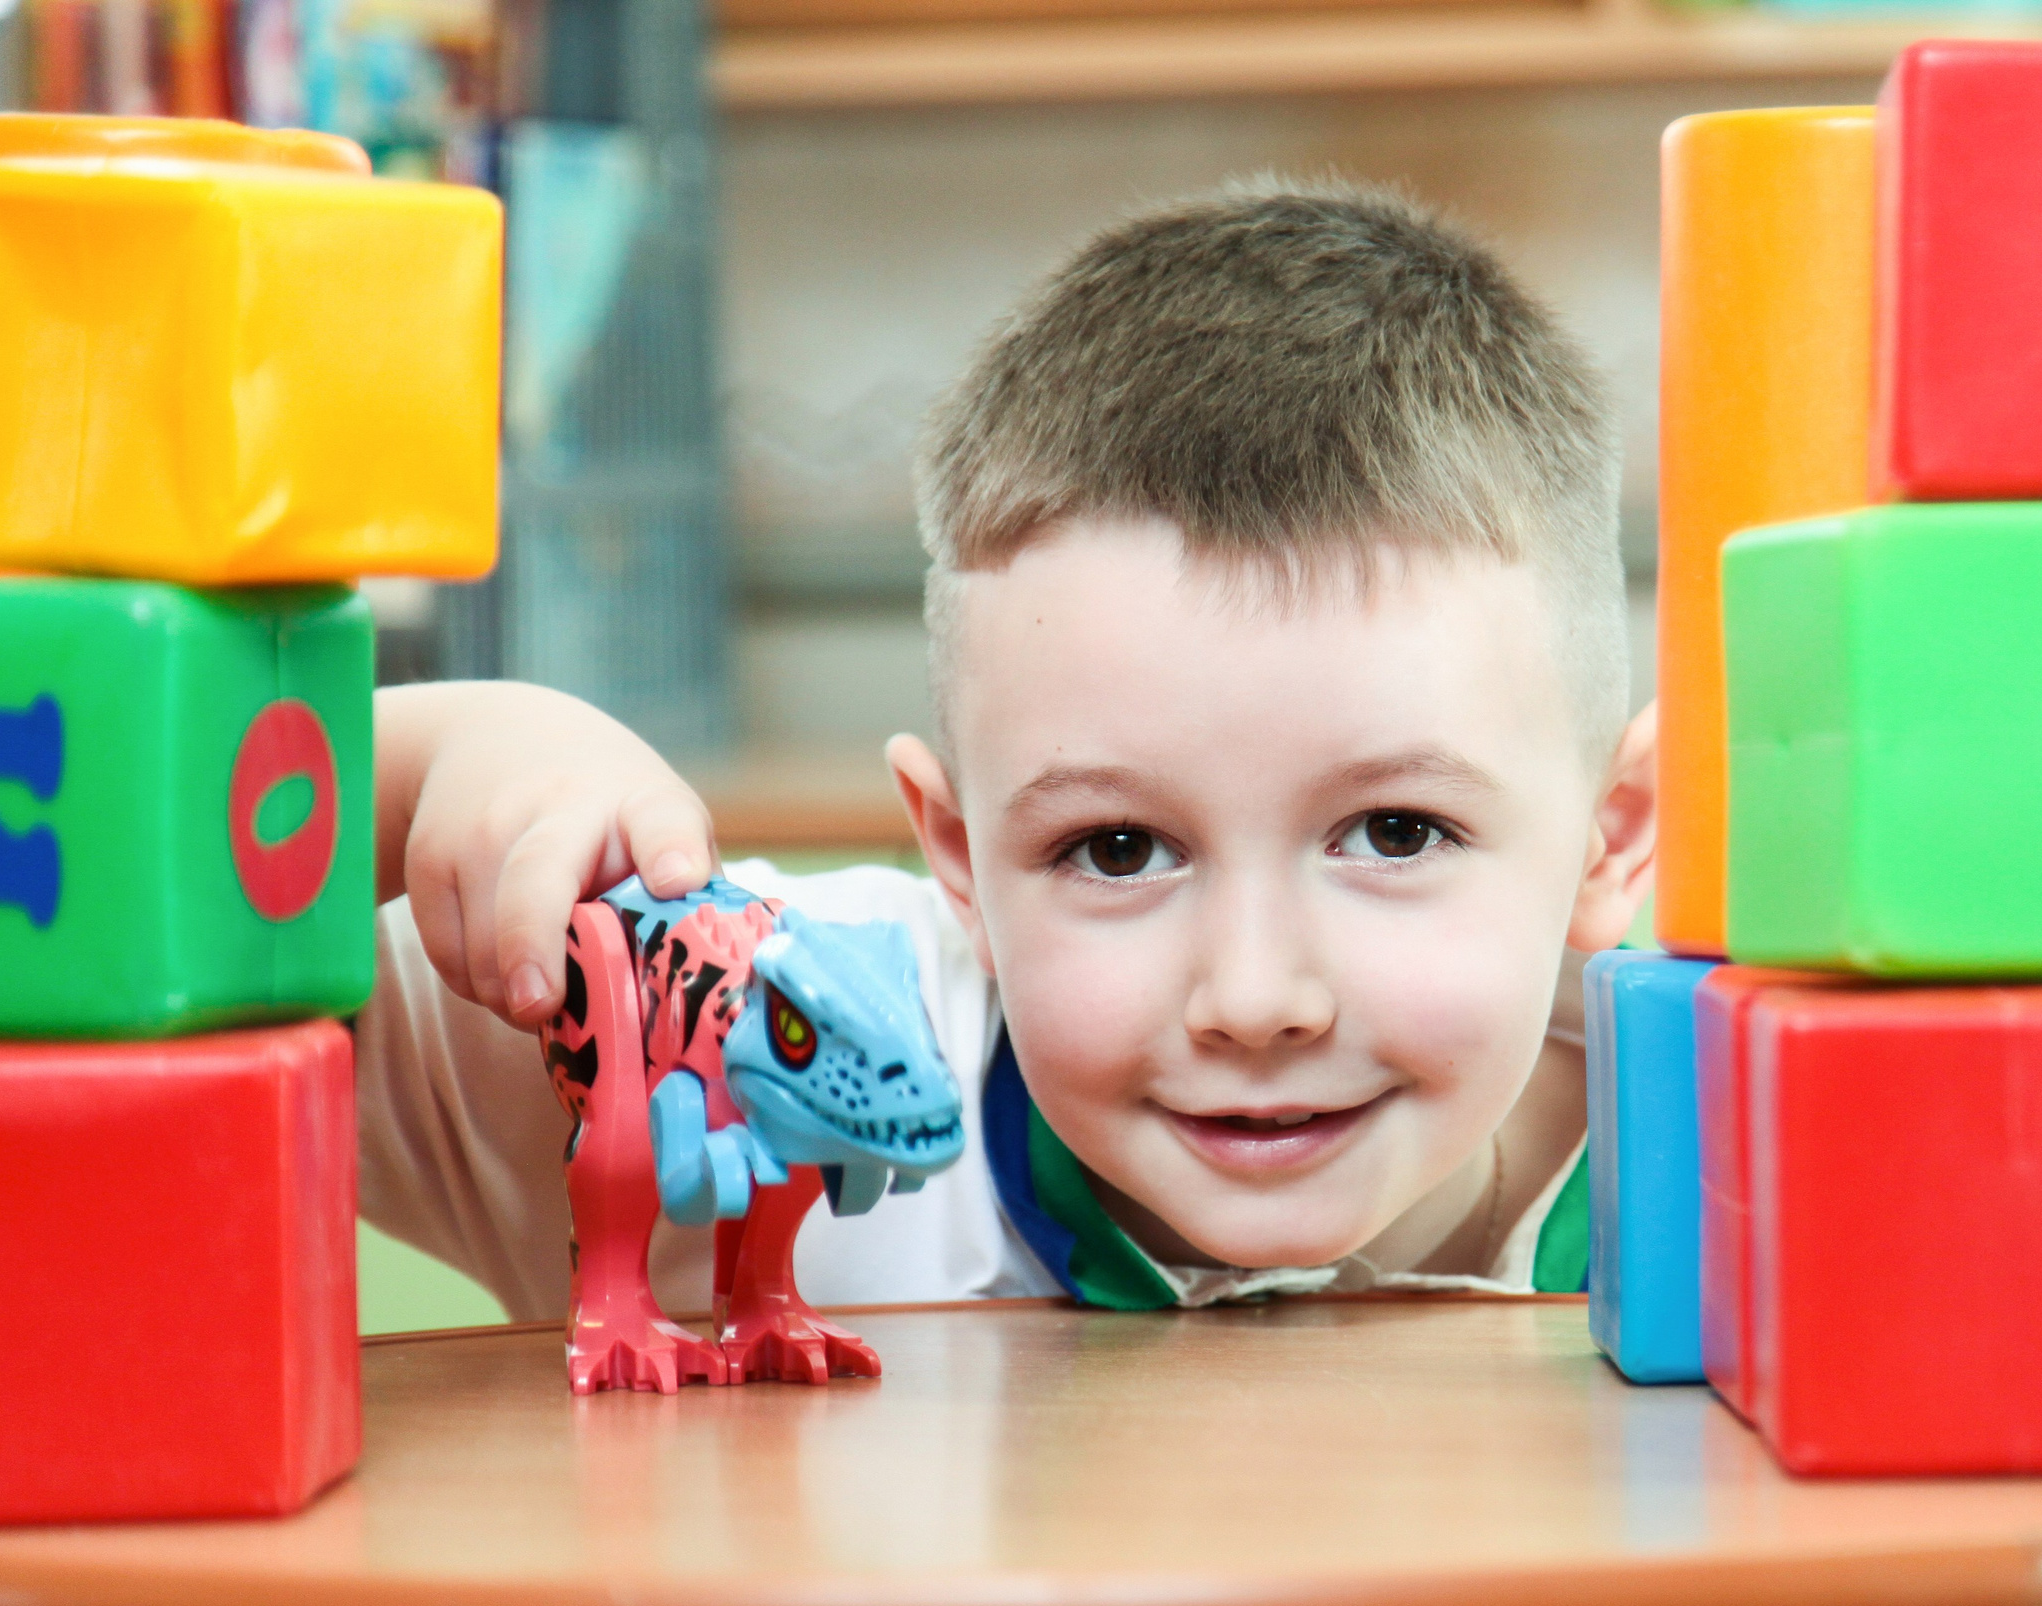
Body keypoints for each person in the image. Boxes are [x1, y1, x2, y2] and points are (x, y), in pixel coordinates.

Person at [360, 178, 1659, 1321]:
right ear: (961, 863)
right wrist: (427, 764)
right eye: (1118, 849)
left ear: (1615, 835)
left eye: (1395, 832)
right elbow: (230, 914)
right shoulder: (736, 1036)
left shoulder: (1738, 1168)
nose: (1255, 998)